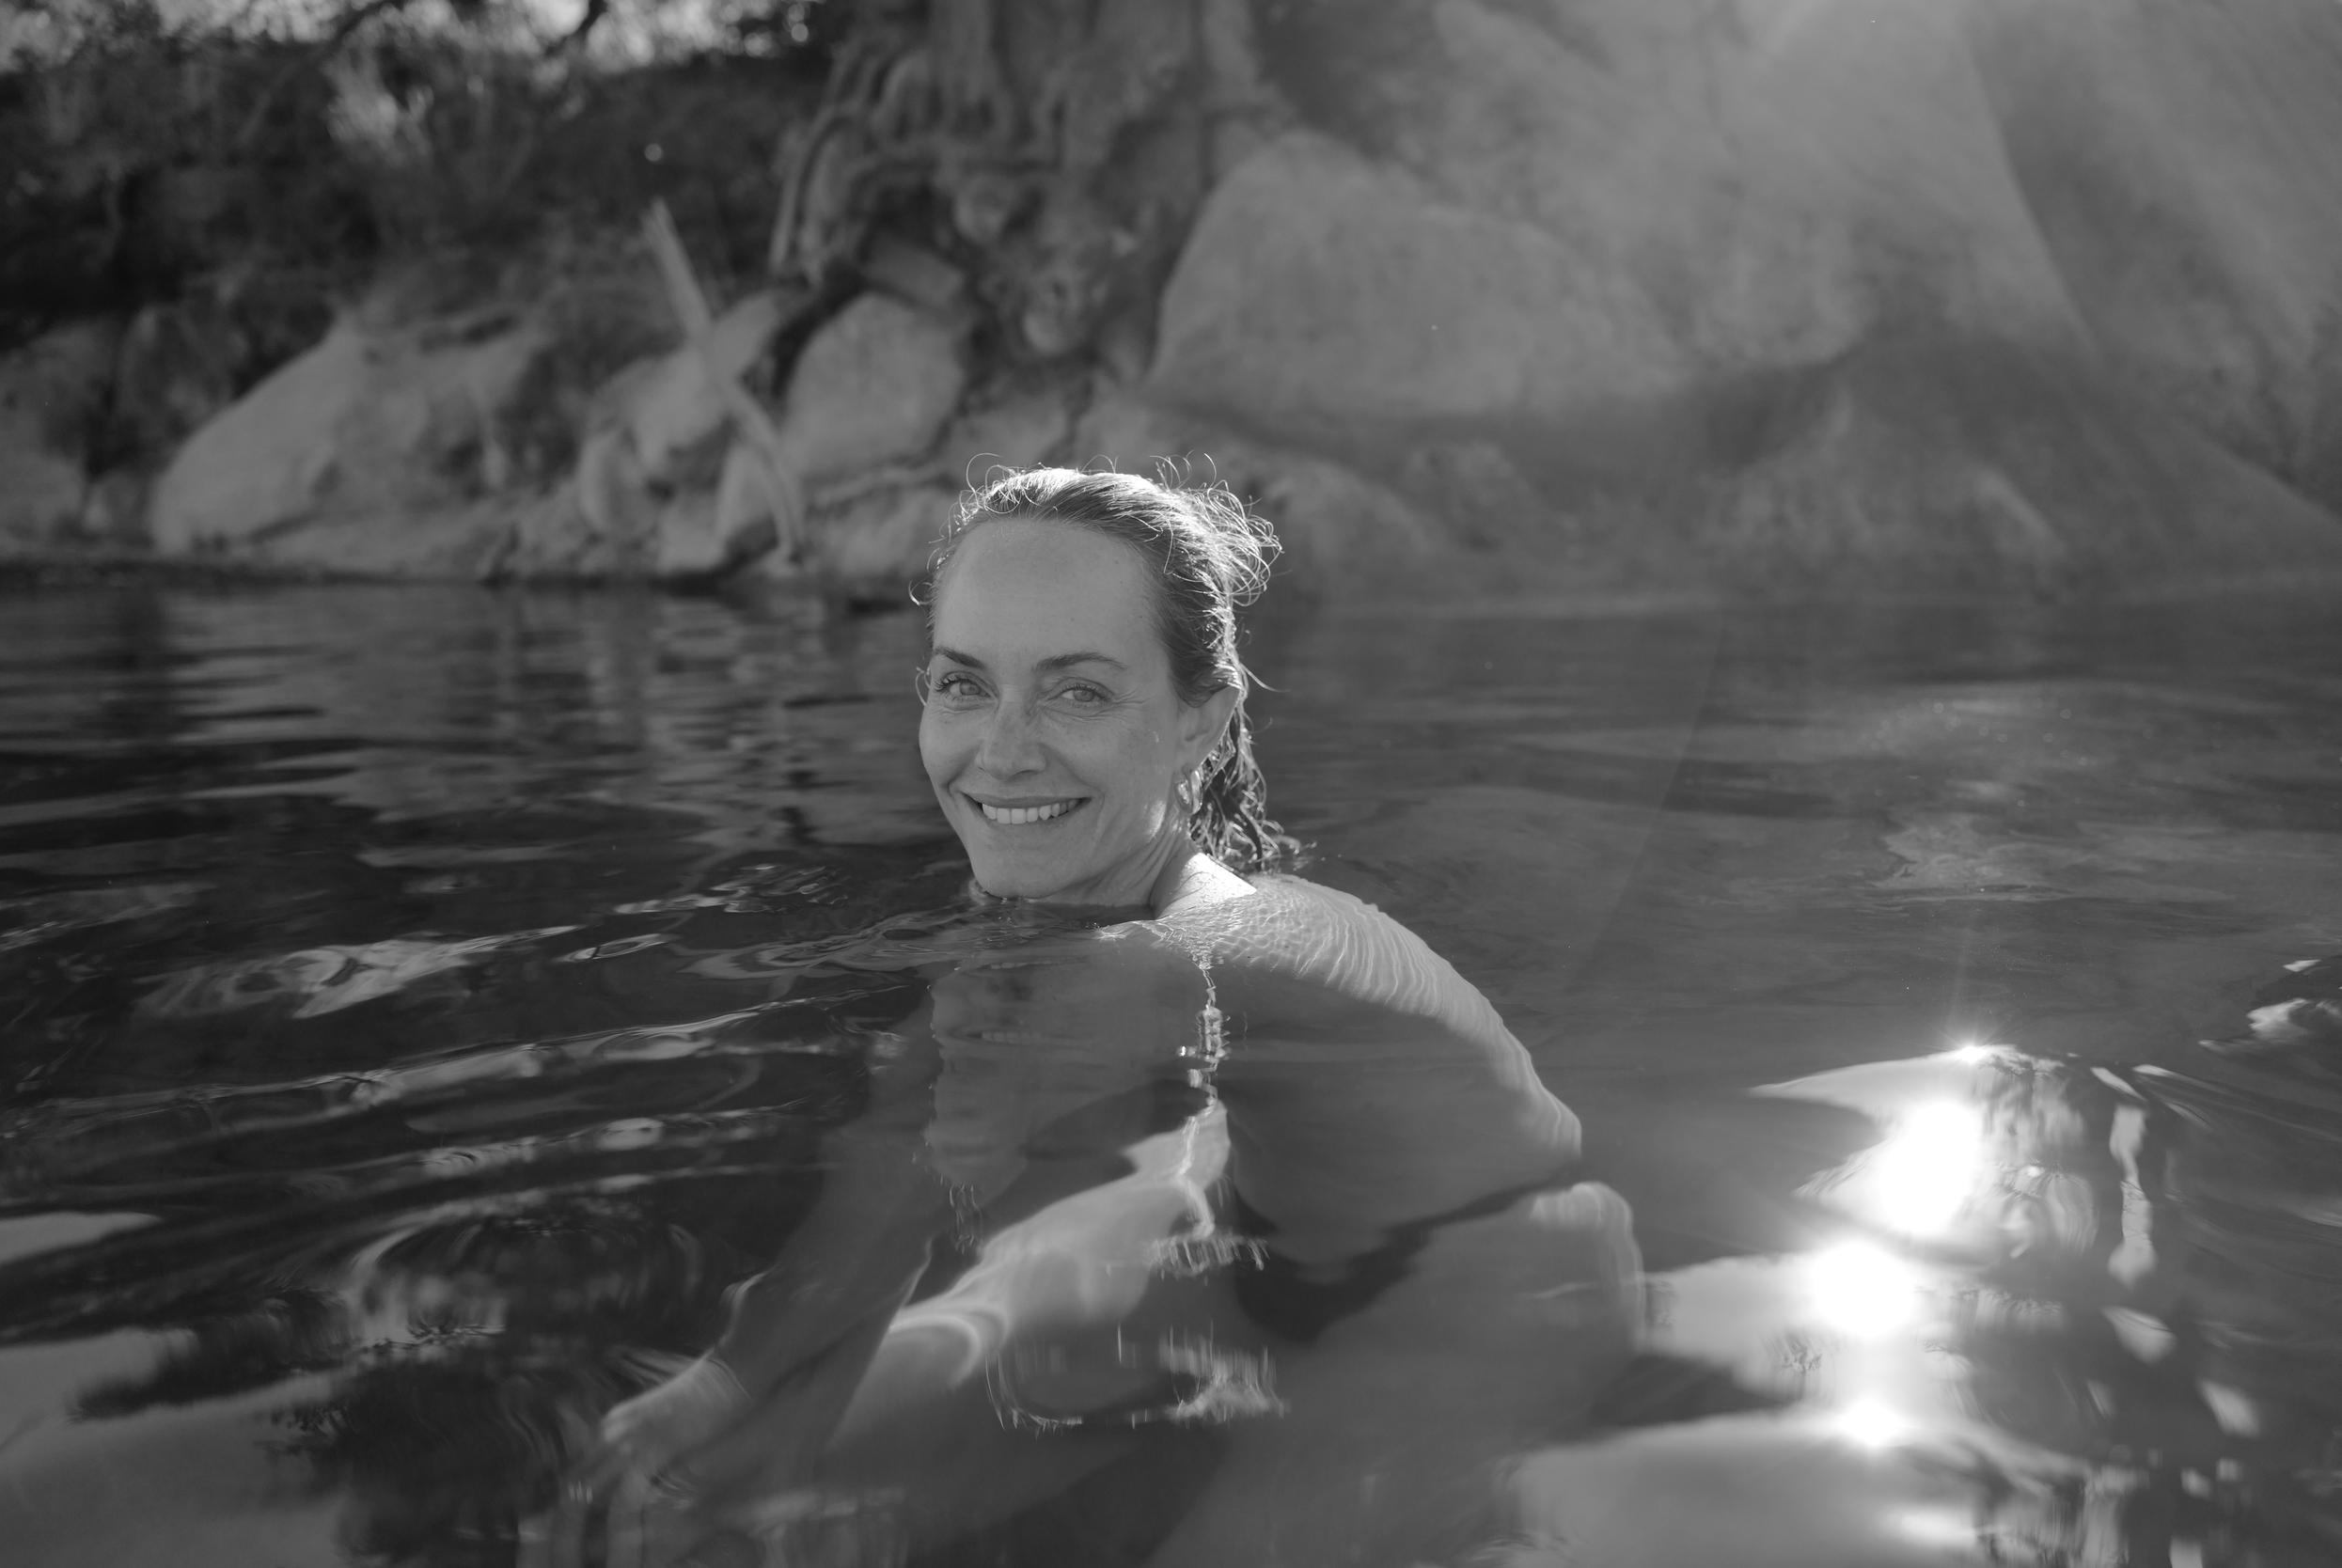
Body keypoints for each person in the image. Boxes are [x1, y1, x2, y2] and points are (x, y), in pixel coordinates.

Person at [536, 467, 1641, 1567]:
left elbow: (930, 1178)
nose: (1003, 749)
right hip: (1261, 1277)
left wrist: (745, 1384)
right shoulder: (1054, 926)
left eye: (1078, 692)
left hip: (1490, 1305)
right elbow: (905, 1146)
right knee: (713, 1499)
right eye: (964, 685)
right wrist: (735, 1386)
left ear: (1200, 721)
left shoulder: (1162, 960)